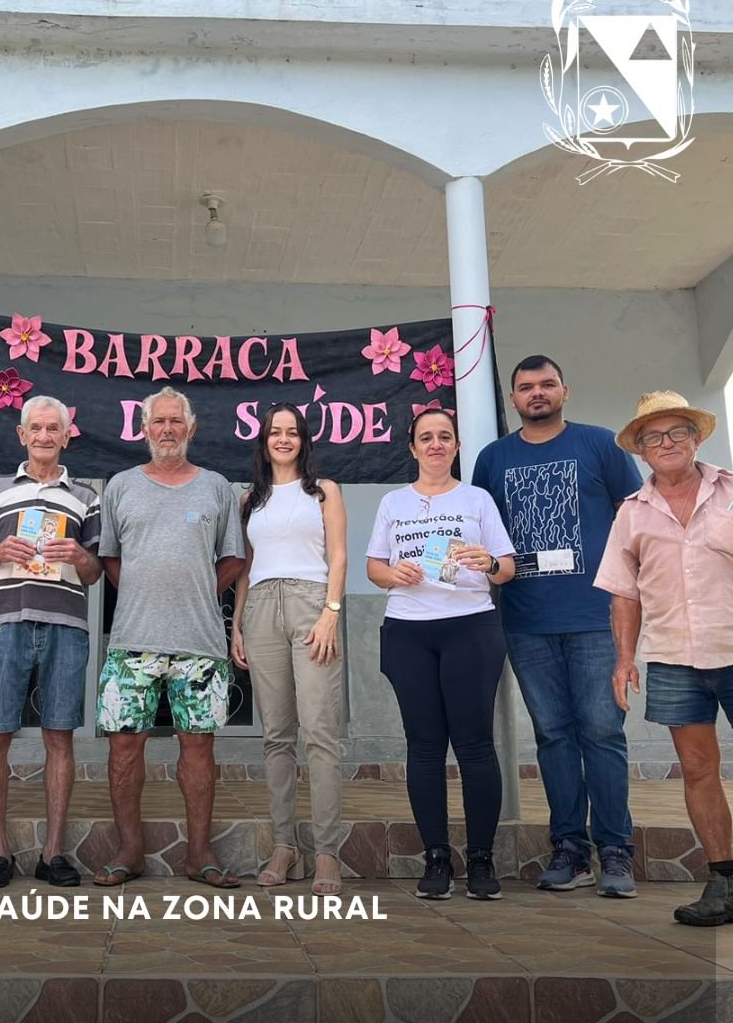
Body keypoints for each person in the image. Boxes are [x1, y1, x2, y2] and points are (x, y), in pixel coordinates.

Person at [472, 356, 642, 897]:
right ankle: (570, 848)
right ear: (514, 398)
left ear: (565, 390)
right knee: (554, 737)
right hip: (525, 621)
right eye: (526, 387)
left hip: (595, 617)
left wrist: (632, 598)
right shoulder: (493, 458)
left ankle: (615, 850)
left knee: (602, 734)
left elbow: (632, 521)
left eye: (547, 384)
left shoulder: (602, 445)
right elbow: (481, 533)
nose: (537, 393)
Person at [94, 386, 245, 888]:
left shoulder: (216, 487)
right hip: (132, 640)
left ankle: (199, 855)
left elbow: (233, 558)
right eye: (158, 422)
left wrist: (197, 593)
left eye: (175, 422)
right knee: (124, 747)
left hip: (200, 642)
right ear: (143, 429)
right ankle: (129, 851)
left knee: (198, 747)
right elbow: (110, 557)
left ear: (192, 429)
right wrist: (143, 592)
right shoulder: (120, 485)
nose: (167, 430)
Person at [595, 391, 733, 926]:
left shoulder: (730, 493)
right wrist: (624, 659)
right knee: (699, 770)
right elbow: (624, 593)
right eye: (655, 437)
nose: (667, 443)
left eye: (678, 432)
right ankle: (723, 882)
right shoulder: (632, 513)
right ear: (643, 451)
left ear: (697, 440)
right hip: (674, 657)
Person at [367, 407, 516, 901]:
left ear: (455, 446)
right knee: (424, 747)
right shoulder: (392, 502)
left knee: (474, 745)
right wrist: (394, 575)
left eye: (444, 437)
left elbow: (506, 569)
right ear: (412, 448)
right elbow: (373, 567)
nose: (435, 444)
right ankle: (436, 857)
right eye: (425, 437)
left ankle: (480, 858)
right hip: (409, 630)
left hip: (471, 627)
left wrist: (488, 561)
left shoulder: (477, 499)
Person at [0, 396, 102, 889]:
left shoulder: (87, 496)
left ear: (68, 435)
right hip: (7, 621)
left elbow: (92, 574)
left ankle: (53, 853)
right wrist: (0, 550)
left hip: (67, 625)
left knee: (59, 736)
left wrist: (79, 556)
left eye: (54, 428)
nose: (45, 435)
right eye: (36, 428)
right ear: (21, 435)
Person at [231, 403, 347, 895]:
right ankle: (284, 845)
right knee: (277, 735)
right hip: (260, 608)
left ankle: (326, 853)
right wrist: (236, 625)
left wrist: (331, 612)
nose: (283, 439)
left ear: (304, 440)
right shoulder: (249, 499)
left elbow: (339, 553)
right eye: (275, 432)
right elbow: (244, 567)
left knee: (320, 733)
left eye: (292, 432)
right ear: (263, 440)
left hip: (311, 605)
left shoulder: (323, 491)